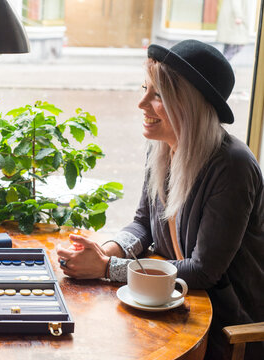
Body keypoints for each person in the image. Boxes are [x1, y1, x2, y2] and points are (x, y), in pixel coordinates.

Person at [57, 39, 263, 359]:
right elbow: (143, 224)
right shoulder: (163, 146)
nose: (142, 103)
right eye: (145, 88)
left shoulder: (232, 166)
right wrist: (104, 250)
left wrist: (108, 268)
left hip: (225, 328)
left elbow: (204, 271)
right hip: (169, 306)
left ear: (189, 105)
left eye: (157, 95)